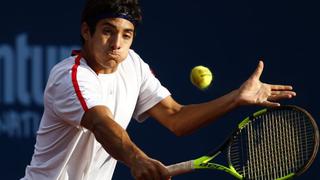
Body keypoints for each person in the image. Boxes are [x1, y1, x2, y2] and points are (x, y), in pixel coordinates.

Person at [21, 0, 296, 179]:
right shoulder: (71, 76)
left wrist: (236, 98)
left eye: (126, 35)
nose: (117, 43)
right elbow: (101, 124)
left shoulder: (133, 65)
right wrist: (138, 159)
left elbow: (176, 118)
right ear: (86, 31)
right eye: (107, 31)